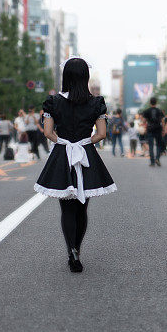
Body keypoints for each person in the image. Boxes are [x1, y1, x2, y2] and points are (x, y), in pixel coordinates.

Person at [34, 57, 116, 272]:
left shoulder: (53, 102)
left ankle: (71, 250)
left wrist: (64, 143)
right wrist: (83, 143)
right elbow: (101, 134)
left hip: (63, 155)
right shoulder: (96, 103)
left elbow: (48, 132)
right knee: (82, 207)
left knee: (66, 208)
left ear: (66, 76)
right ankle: (77, 249)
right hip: (86, 155)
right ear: (85, 77)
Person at [143, 98, 164, 167]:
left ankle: (152, 162)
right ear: (156, 102)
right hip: (158, 129)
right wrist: (163, 129)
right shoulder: (159, 111)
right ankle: (157, 158)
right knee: (158, 145)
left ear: (150, 103)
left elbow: (144, 121)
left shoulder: (147, 111)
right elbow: (162, 121)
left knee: (151, 146)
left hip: (150, 129)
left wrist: (145, 128)